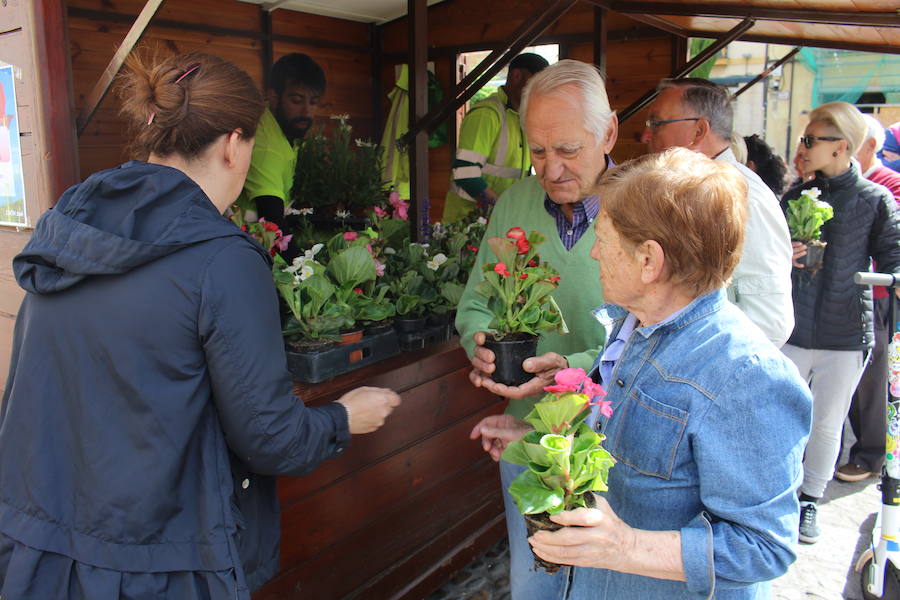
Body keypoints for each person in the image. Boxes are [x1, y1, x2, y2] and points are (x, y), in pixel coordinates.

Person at [0, 52, 400, 599]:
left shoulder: (69, 230)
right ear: (234, 144)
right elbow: (271, 437)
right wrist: (343, 418)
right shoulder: (221, 261)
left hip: (37, 552)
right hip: (156, 567)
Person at [473, 148, 812, 599]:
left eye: (605, 237)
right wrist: (538, 445)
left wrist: (625, 546)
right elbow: (628, 454)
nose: (593, 252)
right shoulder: (631, 327)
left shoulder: (746, 375)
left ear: (650, 261)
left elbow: (764, 548)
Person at [459, 59, 616, 599]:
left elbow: (657, 329)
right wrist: (479, 343)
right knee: (535, 580)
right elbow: (477, 300)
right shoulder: (515, 203)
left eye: (568, 150)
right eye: (538, 151)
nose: (550, 169)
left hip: (613, 444)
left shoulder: (643, 206)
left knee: (605, 582)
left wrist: (579, 369)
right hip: (527, 435)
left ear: (609, 133)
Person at [781, 101, 900, 544]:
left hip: (846, 332)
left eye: (812, 140)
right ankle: (779, 493)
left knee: (828, 424)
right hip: (791, 328)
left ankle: (810, 500)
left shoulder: (874, 199)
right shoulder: (794, 197)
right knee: (781, 417)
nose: (804, 147)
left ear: (842, 147)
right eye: (804, 139)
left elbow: (894, 252)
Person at [641, 78, 794, 348]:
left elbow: (770, 322)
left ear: (699, 131)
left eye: (656, 124)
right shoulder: (682, 191)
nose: (646, 136)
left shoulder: (746, 199)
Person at [836, 113, 900, 482]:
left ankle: (872, 454)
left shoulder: (887, 185)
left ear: (869, 145)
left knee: (874, 380)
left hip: (876, 293)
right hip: (843, 294)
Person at [442, 52, 549, 223]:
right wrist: (503, 211)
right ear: (516, 76)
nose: (539, 92)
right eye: (535, 84)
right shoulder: (486, 114)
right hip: (466, 224)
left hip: (498, 221)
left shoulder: (521, 119)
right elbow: (465, 173)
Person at [236, 52, 325, 230]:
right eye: (296, 100)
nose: (306, 111)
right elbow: (273, 223)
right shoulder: (267, 147)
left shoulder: (281, 127)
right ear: (273, 96)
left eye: (313, 102)